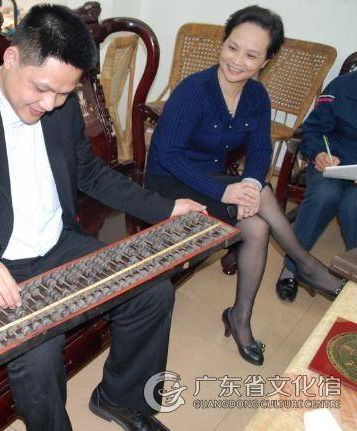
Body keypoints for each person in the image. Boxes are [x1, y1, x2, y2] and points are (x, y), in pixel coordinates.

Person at [0, 4, 204, 431]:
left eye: (63, 93)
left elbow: (90, 173)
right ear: (11, 58)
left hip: (57, 246)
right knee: (39, 351)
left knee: (152, 291)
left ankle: (121, 399)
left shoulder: (61, 109)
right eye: (42, 89)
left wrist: (165, 208)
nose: (49, 104)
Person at [144, 5, 344, 366]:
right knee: (261, 200)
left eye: (251, 55)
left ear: (266, 61)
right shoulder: (194, 90)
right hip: (170, 181)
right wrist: (227, 191)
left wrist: (249, 182)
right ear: (223, 44)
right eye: (232, 47)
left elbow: (260, 149)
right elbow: (169, 155)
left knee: (258, 225)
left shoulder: (256, 97)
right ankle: (306, 266)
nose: (237, 60)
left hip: (214, 180)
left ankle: (240, 317)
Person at [276, 70, 357, 301]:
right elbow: (312, 130)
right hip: (330, 164)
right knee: (324, 195)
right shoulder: (341, 87)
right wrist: (319, 153)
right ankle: (292, 268)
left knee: (353, 204)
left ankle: (354, 275)